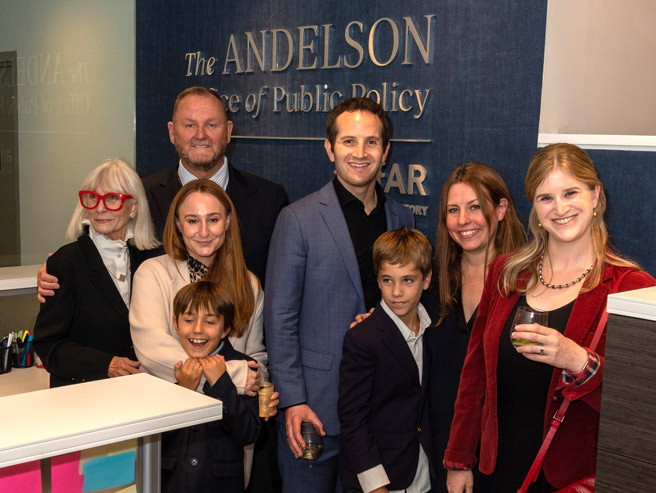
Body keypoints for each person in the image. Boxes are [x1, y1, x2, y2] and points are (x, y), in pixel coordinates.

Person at [444, 143, 656, 492]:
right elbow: (475, 377)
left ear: (595, 195)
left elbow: (641, 408)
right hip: (496, 471)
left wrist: (577, 360)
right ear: (534, 208)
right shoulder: (506, 273)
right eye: (546, 198)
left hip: (570, 479)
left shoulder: (631, 287)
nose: (560, 208)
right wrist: (458, 461)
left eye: (570, 192)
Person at [265, 97, 414, 493]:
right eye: (349, 141)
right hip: (316, 409)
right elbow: (279, 320)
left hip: (379, 408)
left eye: (371, 142)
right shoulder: (297, 219)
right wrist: (293, 401)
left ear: (386, 151)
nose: (360, 153)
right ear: (329, 148)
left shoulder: (401, 218)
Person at [425, 163, 526, 493]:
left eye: (475, 207)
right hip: (439, 440)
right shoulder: (433, 280)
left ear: (500, 210)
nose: (463, 220)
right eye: (453, 210)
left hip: (500, 449)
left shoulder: (526, 283)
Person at [143, 86, 289, 286]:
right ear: (172, 132)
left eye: (211, 125)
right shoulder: (142, 197)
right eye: (189, 125)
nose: (200, 135)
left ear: (228, 132)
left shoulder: (270, 200)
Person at [33, 158, 159, 388]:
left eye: (112, 198)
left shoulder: (150, 258)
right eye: (93, 197)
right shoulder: (65, 262)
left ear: (134, 207)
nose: (99, 208)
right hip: (85, 395)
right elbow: (48, 344)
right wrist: (106, 364)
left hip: (141, 391)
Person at [339, 227, 434, 493]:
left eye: (407, 280)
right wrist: (375, 485)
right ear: (378, 280)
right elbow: (353, 417)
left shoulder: (435, 329)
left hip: (425, 470)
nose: (396, 292)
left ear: (426, 279)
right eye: (387, 280)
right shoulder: (363, 338)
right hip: (382, 476)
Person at [162, 280, 261, 493]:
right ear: (176, 323)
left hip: (220, 483)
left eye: (210, 322)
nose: (197, 330)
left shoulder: (244, 368)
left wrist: (222, 383)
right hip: (172, 482)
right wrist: (184, 391)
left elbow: (248, 434)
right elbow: (156, 439)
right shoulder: (162, 363)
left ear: (226, 328)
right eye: (188, 320)